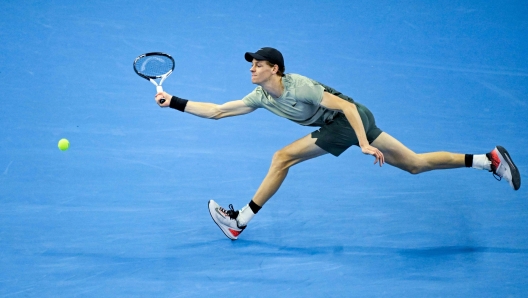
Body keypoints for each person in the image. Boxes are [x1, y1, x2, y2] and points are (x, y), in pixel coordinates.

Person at [154, 47, 521, 240]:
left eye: (258, 64)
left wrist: (362, 142)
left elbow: (345, 106)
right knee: (414, 163)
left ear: (275, 69)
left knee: (282, 157)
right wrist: (175, 102)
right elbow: (218, 110)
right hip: (356, 120)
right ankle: (488, 161)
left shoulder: (300, 87)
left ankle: (239, 222)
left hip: (350, 121)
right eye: (251, 64)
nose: (252, 68)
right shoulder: (262, 96)